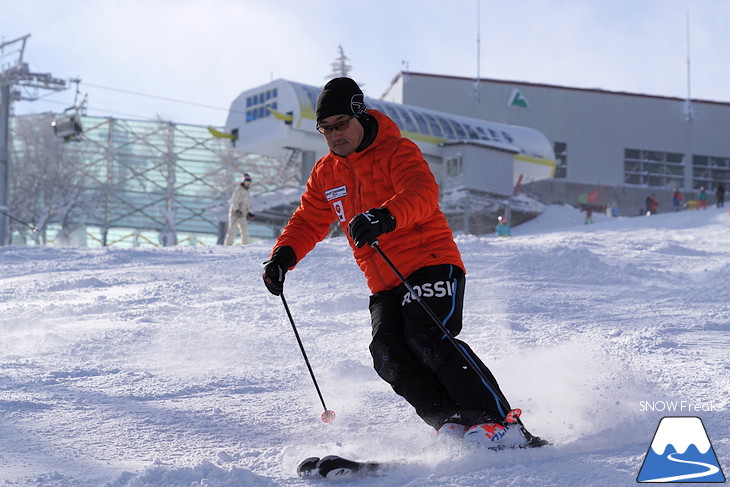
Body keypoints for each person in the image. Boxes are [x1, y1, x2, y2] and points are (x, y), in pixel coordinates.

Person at [262, 77, 528, 448]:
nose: (334, 136)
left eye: (341, 125)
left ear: (360, 115)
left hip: (430, 260)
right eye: (326, 129)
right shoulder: (326, 172)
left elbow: (423, 193)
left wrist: (384, 217)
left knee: (426, 336)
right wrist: (282, 257)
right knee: (387, 352)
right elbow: (308, 220)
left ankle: (498, 422)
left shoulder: (397, 151)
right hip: (383, 280)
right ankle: (451, 421)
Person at [224, 173, 254, 245]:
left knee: (244, 230)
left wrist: (249, 213)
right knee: (233, 230)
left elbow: (246, 204)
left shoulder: (248, 192)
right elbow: (234, 201)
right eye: (246, 182)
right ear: (243, 182)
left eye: (249, 183)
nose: (248, 184)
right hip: (235, 213)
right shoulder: (238, 190)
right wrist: (237, 210)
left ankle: (245, 244)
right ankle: (228, 245)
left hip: (242, 214)